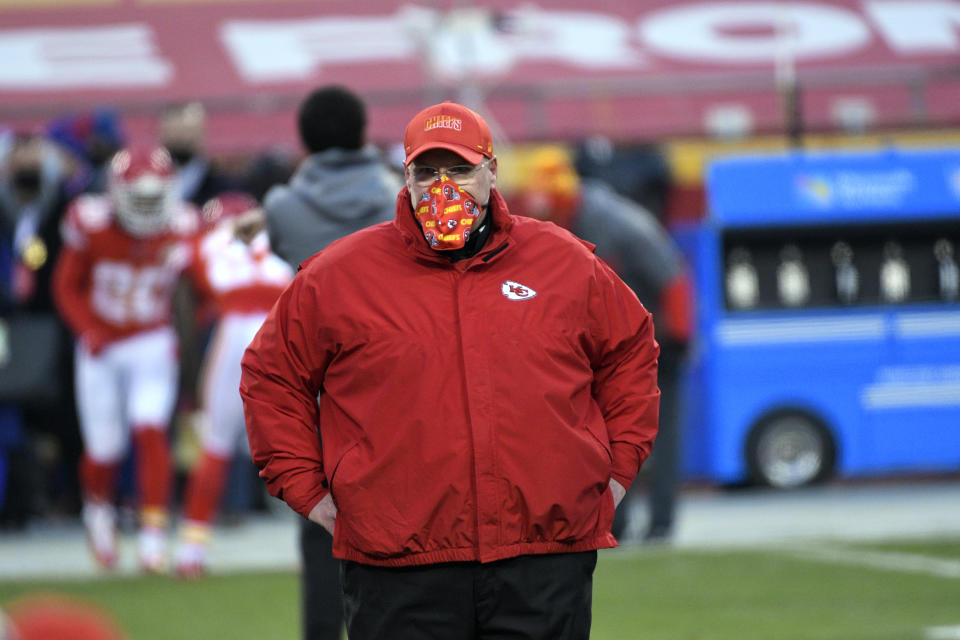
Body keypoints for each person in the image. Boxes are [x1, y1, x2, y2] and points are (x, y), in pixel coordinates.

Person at [241, 101, 660, 639]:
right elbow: (271, 377)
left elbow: (630, 350)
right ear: (406, 177)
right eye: (426, 172)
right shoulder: (338, 275)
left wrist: (617, 471)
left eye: (459, 169)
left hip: (543, 557)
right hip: (398, 566)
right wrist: (309, 492)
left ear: (491, 171)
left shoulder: (563, 261)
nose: (444, 187)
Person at [261, 85, 399, 640]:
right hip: (391, 379)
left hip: (317, 385)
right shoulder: (396, 199)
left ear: (305, 139)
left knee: (321, 525)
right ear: (364, 132)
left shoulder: (281, 209)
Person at [513, 146, 693, 542]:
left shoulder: (616, 220)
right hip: (603, 347)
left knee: (659, 433)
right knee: (601, 435)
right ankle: (616, 520)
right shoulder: (548, 226)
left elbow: (672, 273)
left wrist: (680, 338)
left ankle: (661, 522)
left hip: (655, 339)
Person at [52, 146, 199, 572]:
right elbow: (66, 285)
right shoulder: (90, 222)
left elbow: (201, 287)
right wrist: (88, 329)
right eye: (140, 196)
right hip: (102, 344)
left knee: (150, 430)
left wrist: (180, 332)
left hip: (151, 341)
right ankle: (98, 514)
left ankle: (152, 537)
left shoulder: (183, 224)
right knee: (105, 447)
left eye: (157, 197)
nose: (149, 207)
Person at [173, 193, 294, 578]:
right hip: (278, 331)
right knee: (305, 444)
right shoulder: (279, 243)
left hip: (234, 333)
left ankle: (192, 549)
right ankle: (321, 547)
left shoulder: (205, 244)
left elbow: (183, 277)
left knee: (216, 444)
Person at [159, 102, 236, 207]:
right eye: (177, 133)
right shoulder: (148, 182)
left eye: (188, 133)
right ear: (163, 134)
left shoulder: (221, 186)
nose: (183, 139)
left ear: (201, 135)